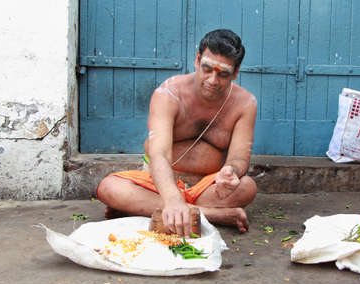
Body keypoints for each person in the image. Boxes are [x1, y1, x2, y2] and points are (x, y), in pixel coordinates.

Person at [96, 29, 257, 236]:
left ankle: (147, 209)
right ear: (197, 60)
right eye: (207, 69)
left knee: (247, 187)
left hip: (207, 185)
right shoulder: (169, 93)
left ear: (235, 72)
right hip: (159, 182)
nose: (212, 80)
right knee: (108, 187)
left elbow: (239, 157)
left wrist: (231, 172)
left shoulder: (245, 103)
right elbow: (159, 154)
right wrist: (172, 198)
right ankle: (212, 214)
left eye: (223, 74)